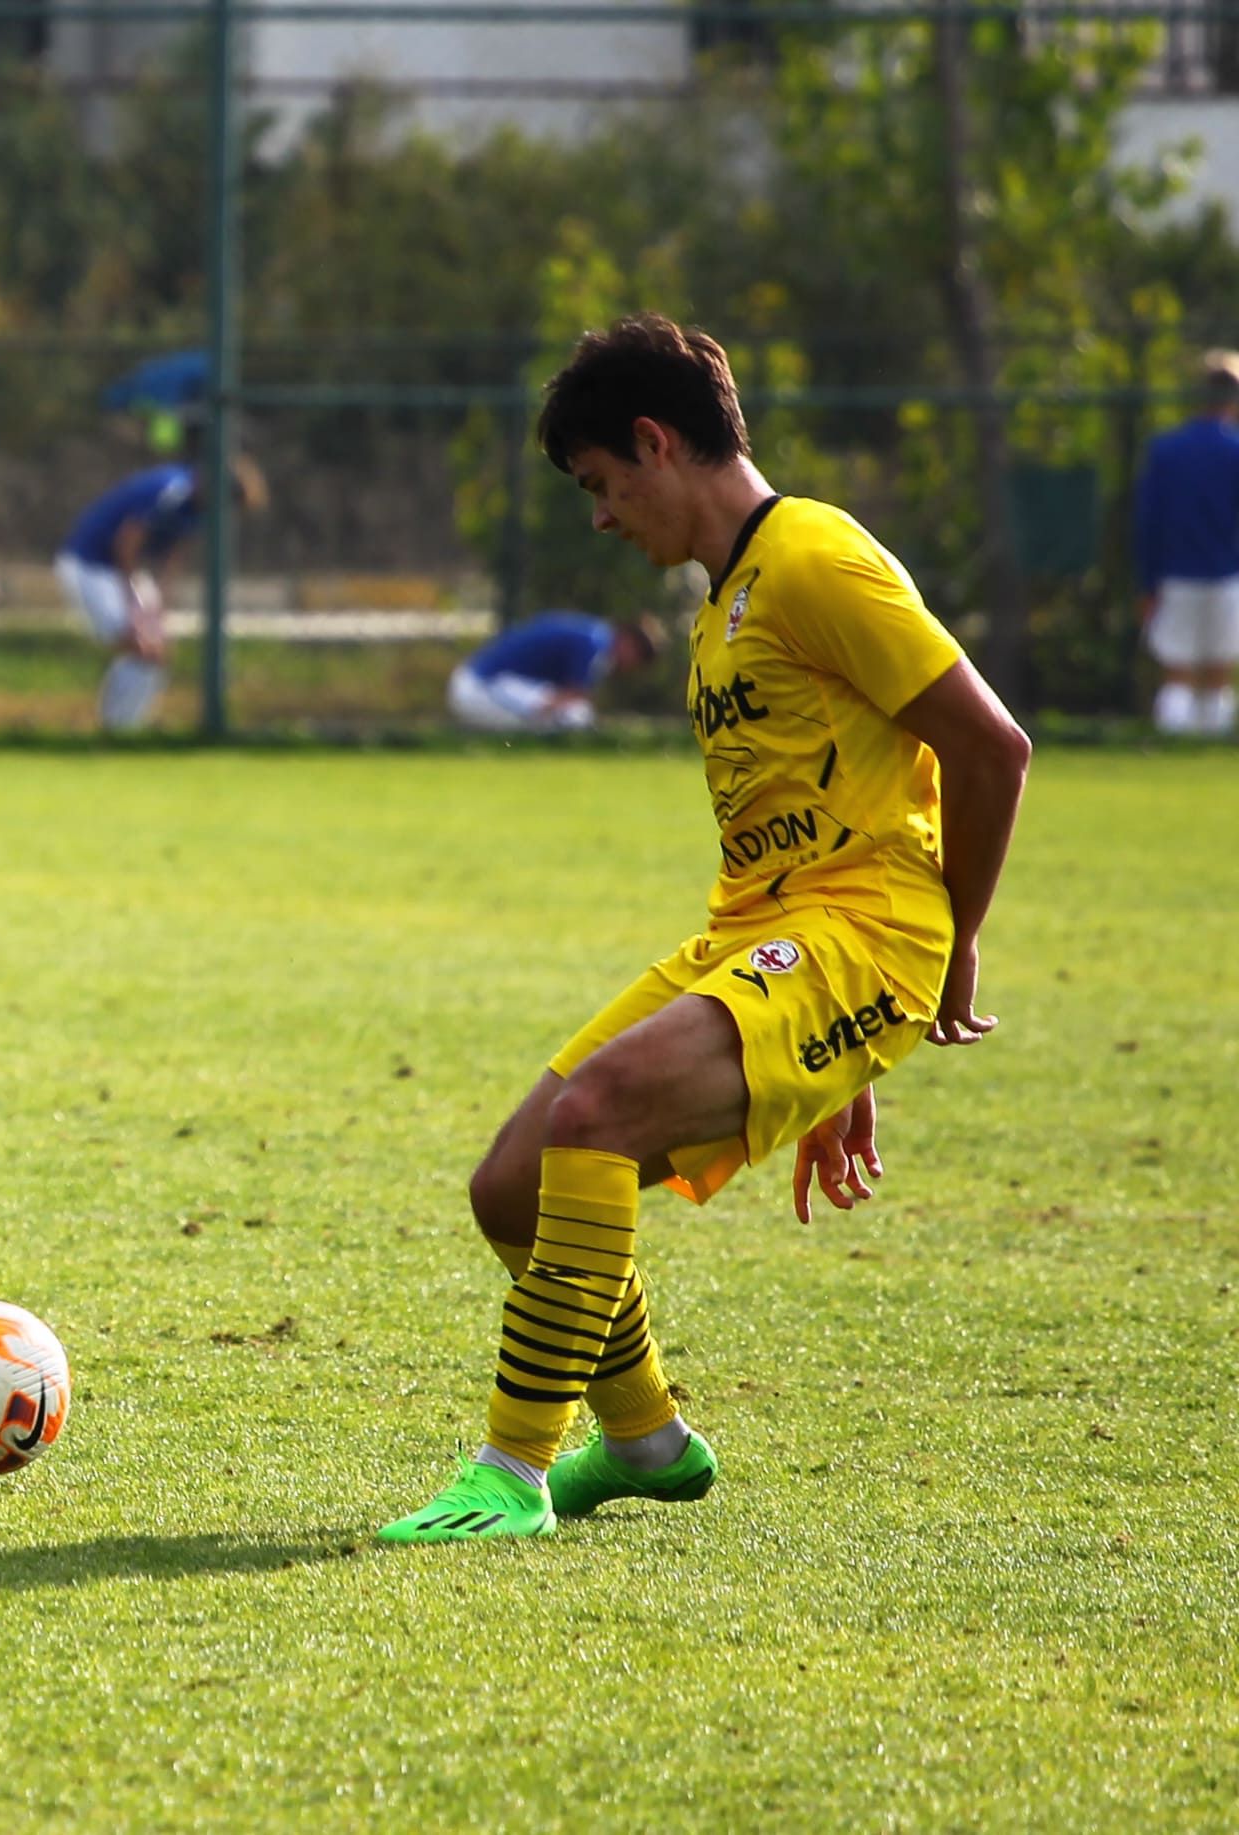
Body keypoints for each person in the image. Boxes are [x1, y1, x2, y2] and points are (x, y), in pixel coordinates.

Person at [379, 314, 1031, 1545]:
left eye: (600, 484)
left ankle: (509, 1473)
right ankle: (644, 1441)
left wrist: (947, 947)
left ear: (653, 441)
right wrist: (824, 1051)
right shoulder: (722, 603)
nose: (599, 516)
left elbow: (990, 746)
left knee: (595, 1116)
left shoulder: (813, 556)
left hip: (865, 931)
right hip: (771, 939)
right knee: (510, 1187)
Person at [53, 448, 267, 733]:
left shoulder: (200, 510)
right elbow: (126, 545)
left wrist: (158, 611)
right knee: (138, 645)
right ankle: (114, 727)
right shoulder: (172, 490)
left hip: (125, 572)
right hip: (92, 566)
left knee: (158, 649)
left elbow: (173, 558)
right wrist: (134, 604)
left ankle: (126, 727)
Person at [1132, 350, 1239, 737]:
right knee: (1218, 673)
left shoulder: (1167, 450)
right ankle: (1211, 743)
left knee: (1176, 672)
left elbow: (1148, 522)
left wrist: (1147, 584)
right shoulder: (1234, 451)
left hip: (1175, 575)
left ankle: (1174, 743)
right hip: (1227, 575)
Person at [447, 609, 664, 732]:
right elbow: (570, 697)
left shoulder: (594, 633)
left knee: (575, 715)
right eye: (639, 656)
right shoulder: (595, 644)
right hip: (477, 687)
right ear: (628, 642)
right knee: (573, 718)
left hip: (489, 684)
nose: (633, 666)